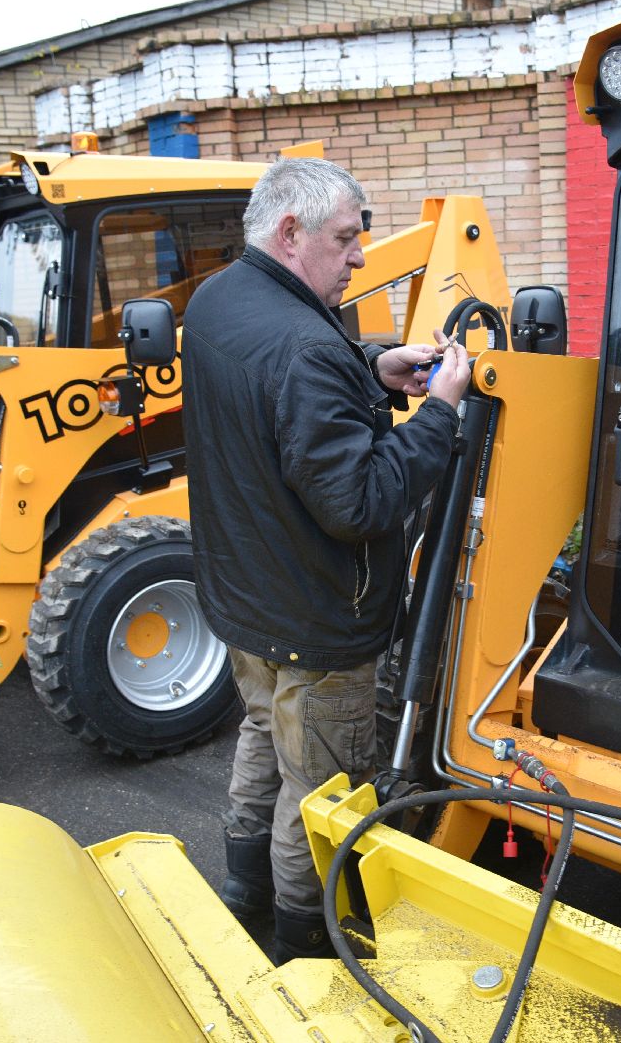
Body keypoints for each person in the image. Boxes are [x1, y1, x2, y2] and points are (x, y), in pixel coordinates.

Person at [179, 157, 471, 961]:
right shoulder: (305, 345)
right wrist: (437, 415)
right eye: (345, 239)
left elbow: (274, 407)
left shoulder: (217, 302)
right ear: (289, 232)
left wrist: (370, 371)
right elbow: (363, 503)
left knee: (265, 737)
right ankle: (309, 943)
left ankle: (242, 893)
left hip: (247, 600)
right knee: (325, 790)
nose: (358, 257)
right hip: (318, 616)